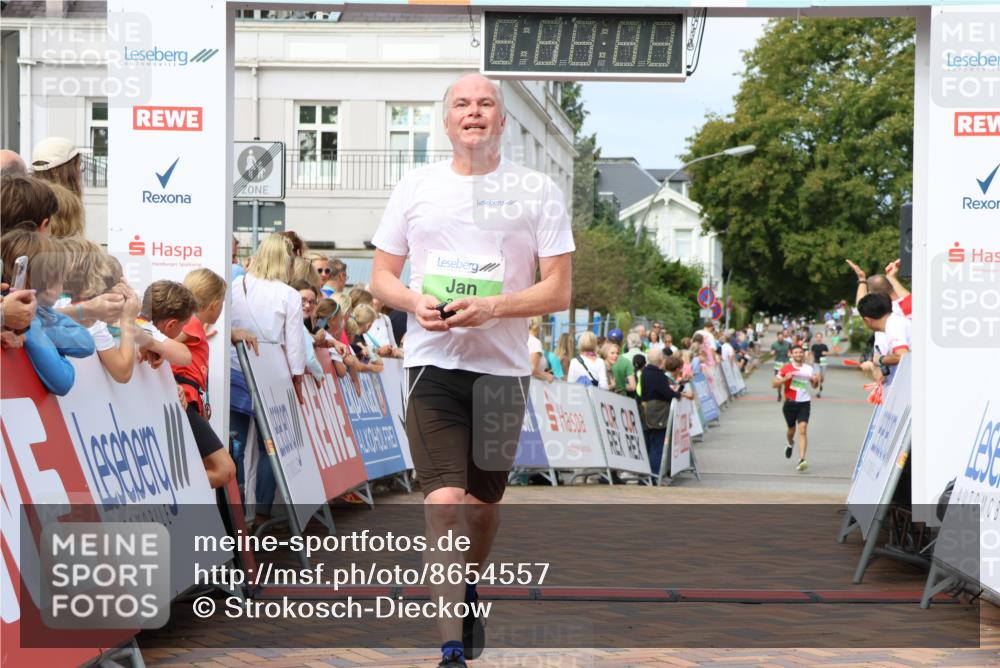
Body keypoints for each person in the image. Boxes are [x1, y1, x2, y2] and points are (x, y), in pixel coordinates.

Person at [369, 72, 573, 667]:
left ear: (502, 121)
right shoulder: (415, 187)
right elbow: (381, 277)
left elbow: (558, 291)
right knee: (444, 501)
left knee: (481, 507)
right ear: (447, 119)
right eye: (462, 103)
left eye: (486, 104)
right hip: (432, 367)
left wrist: (493, 306)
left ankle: (467, 589)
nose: (474, 112)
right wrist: (413, 304)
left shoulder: (537, 190)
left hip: (503, 372)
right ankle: (450, 646)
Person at [230, 233, 306, 524]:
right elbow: (296, 346)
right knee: (268, 448)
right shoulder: (288, 294)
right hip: (270, 377)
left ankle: (233, 512)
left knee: (233, 443)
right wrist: (297, 381)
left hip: (236, 369)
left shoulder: (237, 285)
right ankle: (261, 513)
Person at [2, 230, 94, 393]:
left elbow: (86, 344)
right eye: (61, 278)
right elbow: (63, 380)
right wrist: (32, 330)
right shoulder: (27, 316)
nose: (63, 284)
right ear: (50, 287)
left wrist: (29, 332)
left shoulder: (43, 312)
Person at [60, 236, 140, 383]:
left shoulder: (41, 302)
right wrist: (128, 320)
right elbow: (122, 372)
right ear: (93, 275)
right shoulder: (92, 316)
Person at [639, 348, 687, 476]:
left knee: (649, 443)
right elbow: (666, 393)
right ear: (661, 360)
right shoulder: (658, 375)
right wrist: (678, 394)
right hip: (658, 412)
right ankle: (654, 476)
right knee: (657, 445)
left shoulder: (645, 372)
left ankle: (646, 475)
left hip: (646, 410)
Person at [772, 344, 819, 472]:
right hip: (790, 404)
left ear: (803, 354)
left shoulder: (809, 369)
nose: (798, 354)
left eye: (800, 352)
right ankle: (790, 443)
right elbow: (774, 384)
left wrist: (815, 381)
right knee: (791, 430)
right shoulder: (786, 368)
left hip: (804, 403)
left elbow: (814, 386)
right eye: (796, 352)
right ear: (791, 354)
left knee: (803, 430)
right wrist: (784, 379)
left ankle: (802, 459)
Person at [857, 293, 911, 387]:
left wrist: (880, 359)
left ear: (867, 320)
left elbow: (901, 356)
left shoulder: (893, 325)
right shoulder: (894, 322)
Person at [608, 329, 635, 396]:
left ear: (608, 341)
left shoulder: (602, 359)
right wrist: (622, 385)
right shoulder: (626, 362)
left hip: (605, 396)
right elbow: (632, 387)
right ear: (622, 342)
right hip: (621, 397)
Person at [769, 331, 792, 402]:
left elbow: (790, 351)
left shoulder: (788, 344)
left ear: (783, 337)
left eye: (782, 337)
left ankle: (787, 395)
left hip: (786, 363)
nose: (780, 339)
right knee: (779, 381)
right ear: (777, 337)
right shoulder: (774, 344)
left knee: (786, 381)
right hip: (778, 364)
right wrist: (772, 353)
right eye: (779, 337)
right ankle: (779, 394)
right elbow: (771, 353)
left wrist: (789, 354)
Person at [809, 332, 830, 397]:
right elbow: (811, 353)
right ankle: (819, 392)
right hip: (816, 362)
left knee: (822, 378)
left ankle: (820, 385)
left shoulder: (824, 346)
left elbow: (828, 353)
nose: (819, 338)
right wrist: (811, 361)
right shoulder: (814, 346)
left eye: (820, 337)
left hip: (823, 362)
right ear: (816, 338)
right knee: (818, 376)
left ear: (821, 338)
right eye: (817, 337)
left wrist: (825, 353)